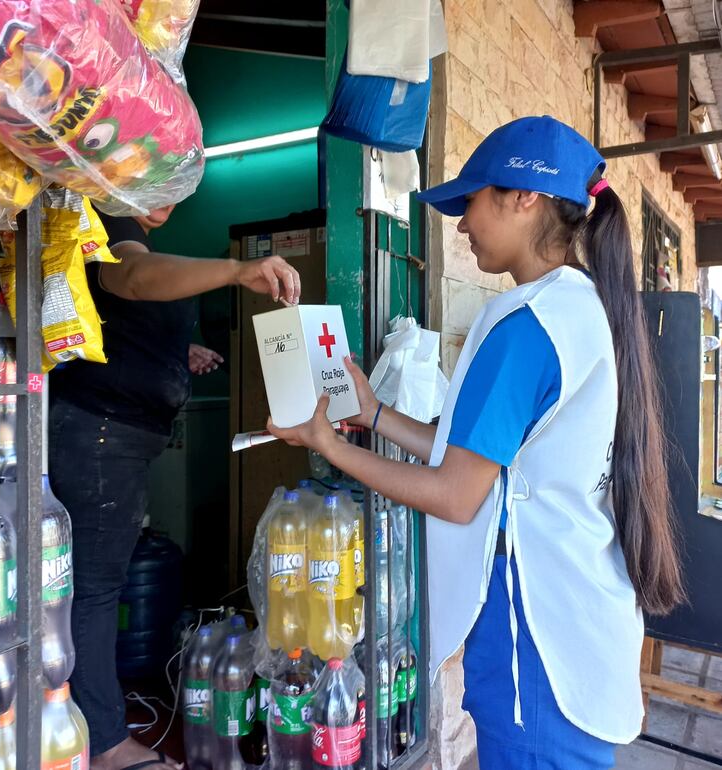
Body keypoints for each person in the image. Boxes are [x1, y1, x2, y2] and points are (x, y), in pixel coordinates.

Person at [268, 116, 685, 770]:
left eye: (474, 202)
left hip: (534, 641)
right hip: (572, 621)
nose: (461, 224)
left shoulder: (527, 326)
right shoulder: (574, 307)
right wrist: (374, 414)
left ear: (526, 198)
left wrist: (330, 445)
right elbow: (481, 455)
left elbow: (457, 495)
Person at [49, 204, 300, 770]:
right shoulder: (108, 225)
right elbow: (133, 278)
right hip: (98, 434)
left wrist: (175, 352)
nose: (174, 197)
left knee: (99, 585)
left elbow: (117, 320)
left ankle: (90, 724)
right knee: (93, 592)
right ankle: (107, 744)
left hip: (118, 436)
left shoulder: (134, 231)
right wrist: (236, 271)